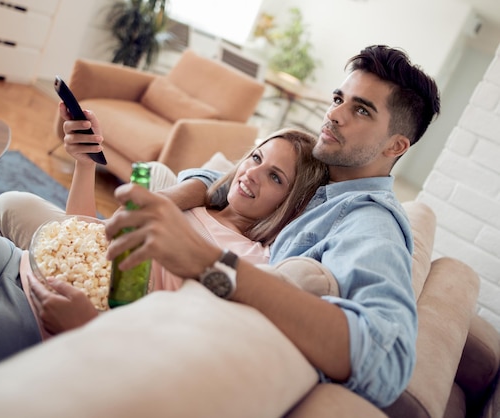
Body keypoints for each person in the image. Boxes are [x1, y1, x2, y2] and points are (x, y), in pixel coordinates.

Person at [0, 125, 326, 406]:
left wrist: (88, 328)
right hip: (12, 262)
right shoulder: (190, 199)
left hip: (36, 324)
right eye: (256, 158)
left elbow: (176, 346)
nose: (252, 173)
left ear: (292, 202)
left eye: (275, 177)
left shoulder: (248, 264)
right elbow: (86, 235)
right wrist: (84, 166)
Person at [98, 44, 441, 408]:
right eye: (338, 98)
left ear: (396, 145)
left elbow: (387, 362)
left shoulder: (370, 223)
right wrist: (171, 199)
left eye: (360, 110)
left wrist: (207, 262)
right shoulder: (330, 176)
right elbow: (227, 179)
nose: (334, 115)